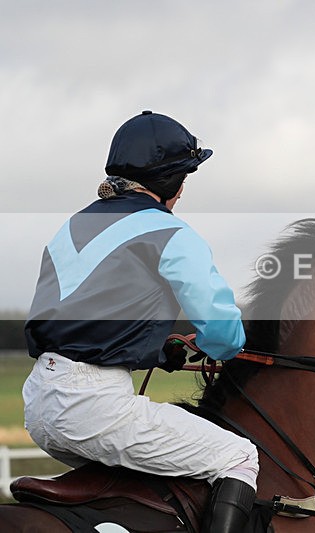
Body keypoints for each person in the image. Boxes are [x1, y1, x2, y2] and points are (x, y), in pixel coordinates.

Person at [22, 110, 258, 533]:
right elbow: (224, 334)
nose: (184, 190)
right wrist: (215, 345)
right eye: (185, 177)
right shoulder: (171, 234)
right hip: (94, 407)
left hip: (40, 404)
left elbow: (86, 323)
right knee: (239, 457)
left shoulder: (72, 227)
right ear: (171, 181)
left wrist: (156, 347)